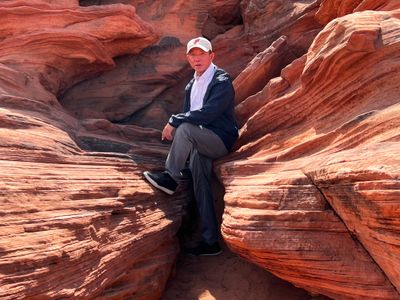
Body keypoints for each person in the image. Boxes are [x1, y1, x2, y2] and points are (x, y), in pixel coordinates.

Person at [143, 36, 238, 256]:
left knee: (184, 127)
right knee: (200, 185)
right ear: (188, 58)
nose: (197, 59)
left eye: (202, 54)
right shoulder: (191, 84)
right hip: (200, 142)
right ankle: (210, 241)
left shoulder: (221, 81)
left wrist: (174, 121)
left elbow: (208, 114)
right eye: (193, 55)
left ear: (211, 56)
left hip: (220, 139)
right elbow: (192, 115)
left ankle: (170, 177)